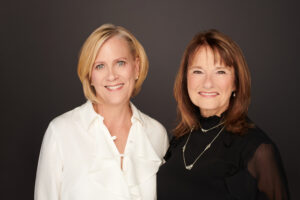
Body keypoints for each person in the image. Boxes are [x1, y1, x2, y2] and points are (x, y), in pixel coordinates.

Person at [35, 24, 168, 200]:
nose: (111, 76)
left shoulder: (156, 133)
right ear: (89, 75)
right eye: (99, 66)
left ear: (136, 67)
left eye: (120, 63)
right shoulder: (60, 132)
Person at [157, 30, 289, 200]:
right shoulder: (180, 138)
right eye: (198, 71)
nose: (208, 83)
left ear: (236, 82)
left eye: (220, 72)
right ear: (185, 79)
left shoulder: (258, 150)